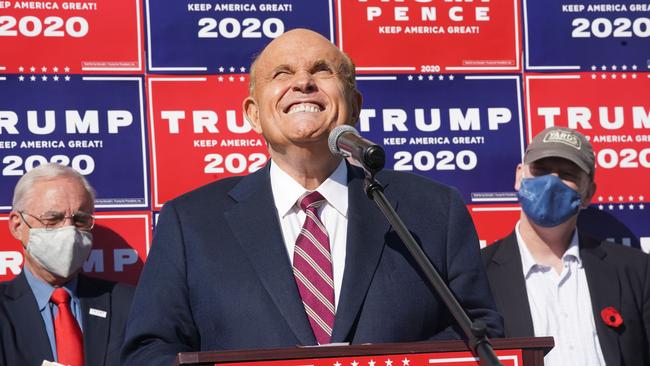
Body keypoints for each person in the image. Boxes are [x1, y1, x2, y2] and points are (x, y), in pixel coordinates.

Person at [122, 28, 502, 366]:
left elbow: (481, 337)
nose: (303, 82)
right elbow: (149, 351)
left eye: (323, 70)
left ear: (354, 105)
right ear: (253, 114)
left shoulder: (433, 210)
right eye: (281, 73)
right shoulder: (190, 223)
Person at [482, 126, 650, 365]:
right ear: (520, 176)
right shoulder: (479, 274)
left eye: (567, 174)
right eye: (541, 170)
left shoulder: (636, 270)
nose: (551, 182)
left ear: (588, 193)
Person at [0, 163, 134, 366]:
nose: (69, 232)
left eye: (80, 220)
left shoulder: (128, 304)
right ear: (18, 226)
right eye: (53, 219)